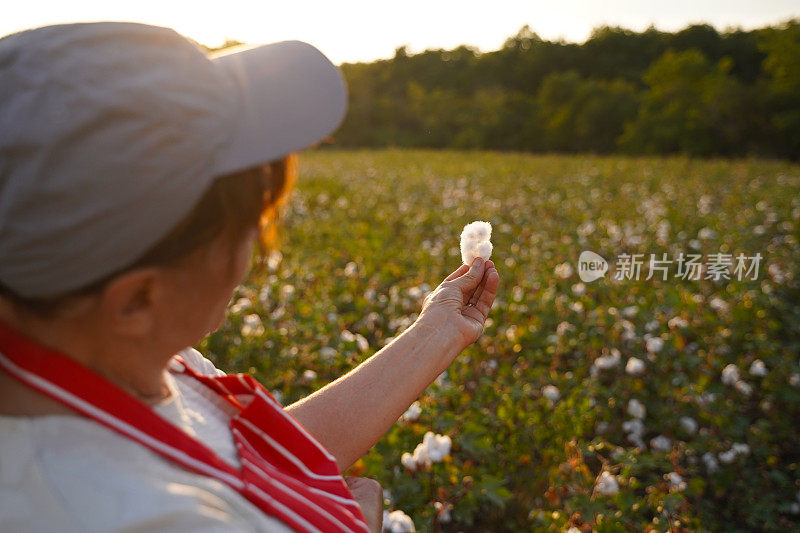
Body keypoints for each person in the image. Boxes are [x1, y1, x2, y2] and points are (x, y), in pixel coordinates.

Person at [0, 21, 500, 533]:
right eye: (252, 226)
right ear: (136, 299)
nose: (259, 248)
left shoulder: (95, 345)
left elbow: (266, 455)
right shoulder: (115, 514)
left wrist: (435, 333)